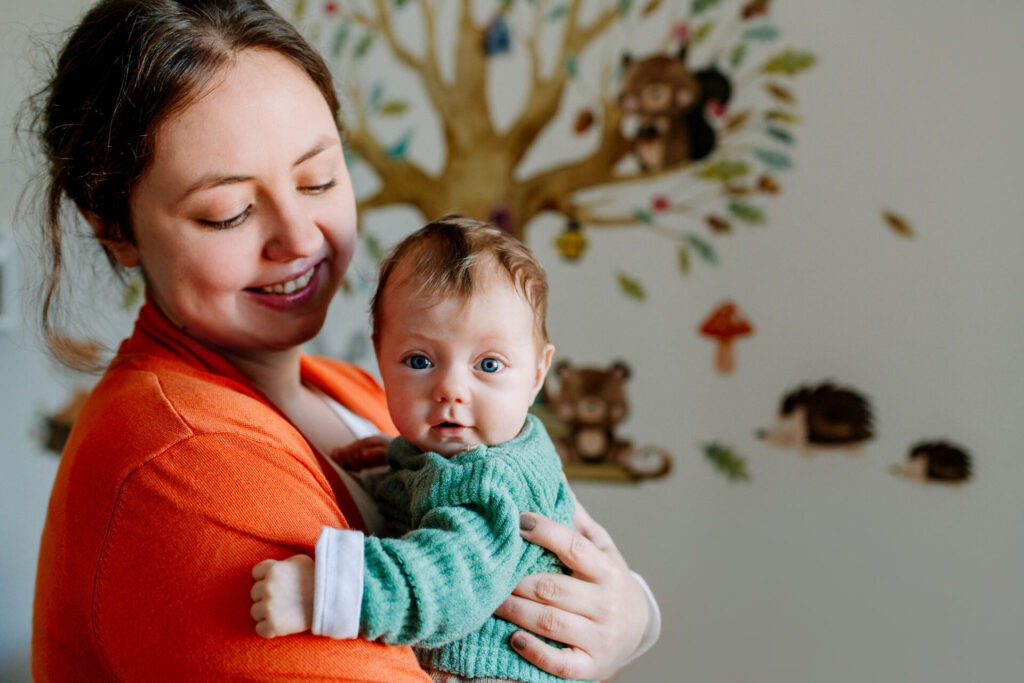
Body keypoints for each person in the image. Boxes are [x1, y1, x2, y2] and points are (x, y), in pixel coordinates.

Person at [29, 1, 659, 680]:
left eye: (318, 178)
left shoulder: (365, 393)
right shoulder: (181, 463)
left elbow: (564, 540)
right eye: (228, 212)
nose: (299, 239)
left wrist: (634, 618)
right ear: (112, 224)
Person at [252, 216, 588, 683]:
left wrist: (328, 592)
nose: (450, 390)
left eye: (488, 364)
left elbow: (452, 580)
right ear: (381, 355)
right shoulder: (464, 449)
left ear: (537, 373)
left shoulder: (495, 479)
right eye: (419, 361)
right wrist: (397, 455)